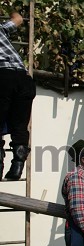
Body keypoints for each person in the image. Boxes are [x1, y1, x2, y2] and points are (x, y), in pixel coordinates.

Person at [0, 11, 36, 181]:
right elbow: (18, 19)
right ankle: (18, 165)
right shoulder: (1, 30)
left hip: (2, 77)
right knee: (20, 126)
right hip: (24, 78)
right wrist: (10, 11)